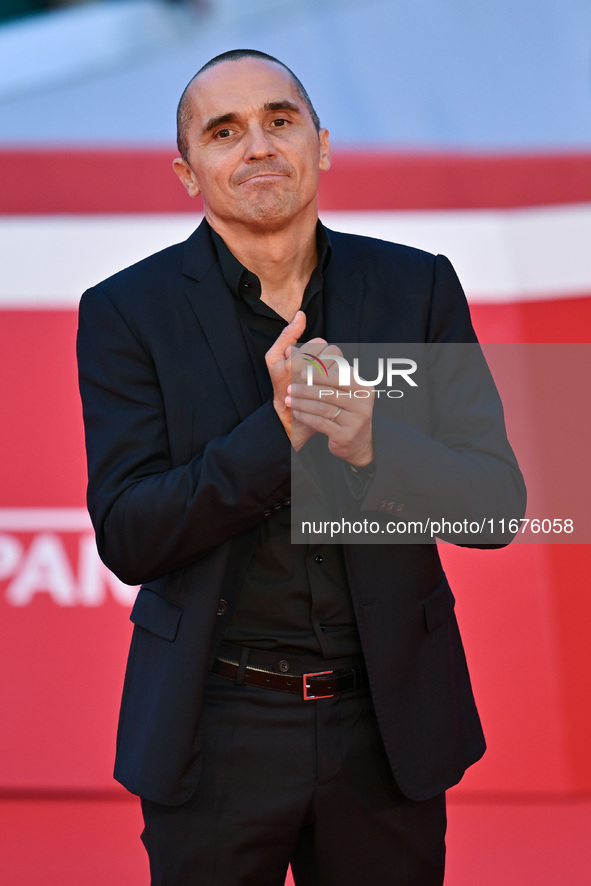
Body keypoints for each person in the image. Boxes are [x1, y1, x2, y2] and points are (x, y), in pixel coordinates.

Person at [77, 49, 526, 886]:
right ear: (187, 172)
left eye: (279, 121)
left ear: (320, 145)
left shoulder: (414, 288)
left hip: (385, 725)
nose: (257, 147)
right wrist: (276, 431)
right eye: (224, 131)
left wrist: (371, 447)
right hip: (214, 729)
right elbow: (130, 535)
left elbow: (493, 505)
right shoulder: (125, 313)